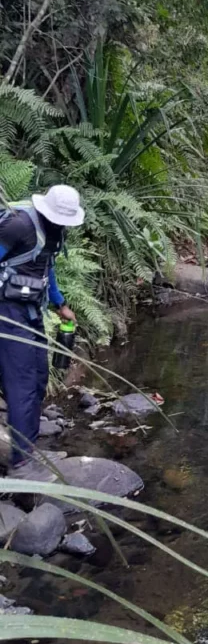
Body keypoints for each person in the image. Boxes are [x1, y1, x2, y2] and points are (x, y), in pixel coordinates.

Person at [0, 186, 83, 470]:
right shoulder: (19, 225)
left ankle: (28, 446)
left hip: (32, 309)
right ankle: (21, 463)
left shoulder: (55, 230)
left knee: (37, 376)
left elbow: (46, 266)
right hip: (7, 312)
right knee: (21, 383)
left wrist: (60, 304)